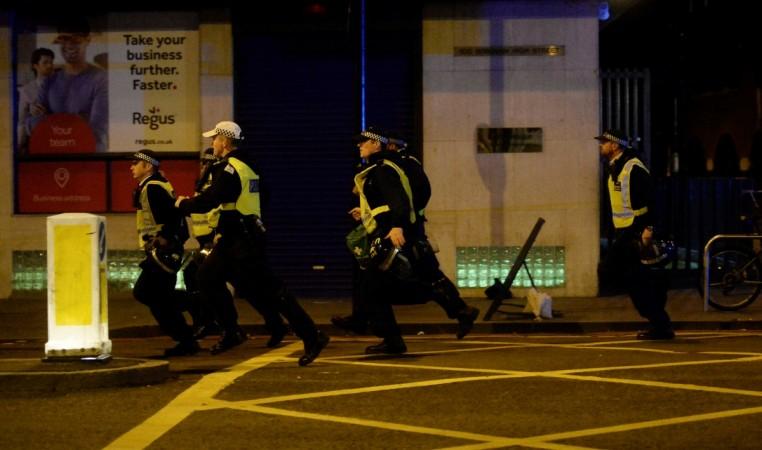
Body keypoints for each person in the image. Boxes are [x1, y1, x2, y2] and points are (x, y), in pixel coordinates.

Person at [175, 121, 329, 365]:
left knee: (273, 291)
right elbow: (261, 196)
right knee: (206, 277)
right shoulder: (249, 165)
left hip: (243, 241)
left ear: (224, 142)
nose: (212, 143)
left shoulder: (228, 168)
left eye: (214, 139)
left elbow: (211, 199)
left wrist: (183, 204)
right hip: (236, 237)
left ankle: (312, 335)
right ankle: (232, 331)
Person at [333, 129, 479, 340]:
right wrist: (367, 213)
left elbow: (405, 198)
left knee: (382, 281)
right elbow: (387, 202)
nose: (359, 145)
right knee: (424, 274)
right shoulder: (385, 166)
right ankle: (459, 311)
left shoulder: (391, 166)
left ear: (379, 144)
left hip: (401, 231)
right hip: (401, 229)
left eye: (364, 141)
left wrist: (400, 224)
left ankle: (370, 324)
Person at [596, 129, 674, 340]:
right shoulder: (615, 167)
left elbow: (652, 199)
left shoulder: (633, 167)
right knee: (636, 279)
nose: (600, 146)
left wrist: (649, 229)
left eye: (604, 142)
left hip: (635, 231)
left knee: (613, 271)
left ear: (615, 145)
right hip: (623, 230)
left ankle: (660, 321)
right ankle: (660, 320)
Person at [130, 149, 199, 357]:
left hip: (163, 252)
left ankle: (198, 303)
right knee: (159, 299)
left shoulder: (152, 188)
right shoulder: (153, 186)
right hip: (161, 251)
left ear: (148, 166)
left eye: (136, 163)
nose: (131, 167)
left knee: (145, 293)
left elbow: (173, 217)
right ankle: (186, 340)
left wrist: (164, 239)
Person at [30, 17, 108, 151]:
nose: (70, 45)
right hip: (53, 158)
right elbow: (33, 124)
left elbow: (97, 131)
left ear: (87, 41)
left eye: (76, 39)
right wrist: (80, 118)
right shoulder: (50, 80)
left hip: (89, 161)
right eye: (64, 39)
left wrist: (51, 119)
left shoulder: (100, 79)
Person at [17, 47, 55, 152]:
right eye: (45, 62)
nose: (50, 65)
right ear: (35, 66)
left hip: (58, 140)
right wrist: (19, 146)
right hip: (36, 141)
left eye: (51, 62)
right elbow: (22, 120)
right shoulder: (26, 90)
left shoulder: (60, 87)